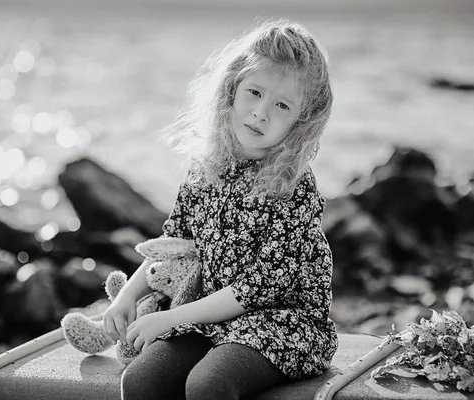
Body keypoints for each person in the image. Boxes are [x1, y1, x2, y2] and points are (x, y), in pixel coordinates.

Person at [103, 18, 338, 400]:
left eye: (281, 104)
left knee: (208, 384)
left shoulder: (294, 189)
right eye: (254, 92)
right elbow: (175, 246)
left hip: (281, 325)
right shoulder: (205, 170)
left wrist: (171, 318)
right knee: (142, 379)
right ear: (231, 89)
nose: (261, 112)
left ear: (301, 121)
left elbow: (255, 289)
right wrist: (127, 296)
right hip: (209, 319)